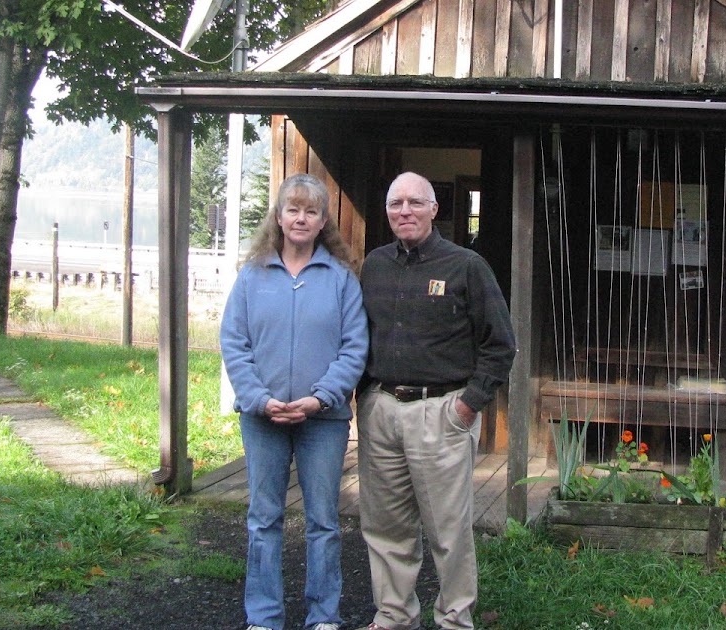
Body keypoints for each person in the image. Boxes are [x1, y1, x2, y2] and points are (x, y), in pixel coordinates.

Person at [356, 172, 517, 630]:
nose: (403, 211)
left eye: (413, 202)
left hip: (441, 412)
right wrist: (361, 399)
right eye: (395, 204)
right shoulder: (375, 265)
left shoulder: (466, 266)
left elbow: (500, 343)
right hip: (381, 409)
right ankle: (393, 616)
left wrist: (469, 404)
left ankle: (454, 619)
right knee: (385, 527)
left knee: (448, 529)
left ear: (433, 209)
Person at [220, 173, 368, 630]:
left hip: (322, 421)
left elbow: (355, 346)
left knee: (323, 520)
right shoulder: (252, 275)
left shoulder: (341, 279)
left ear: (323, 221)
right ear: (279, 217)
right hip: (261, 418)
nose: (301, 218)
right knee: (264, 518)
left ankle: (323, 615)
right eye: (293, 209)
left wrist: (320, 398)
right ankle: (263, 616)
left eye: (311, 211)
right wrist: (259, 399)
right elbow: (234, 341)